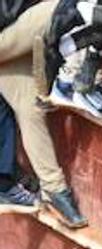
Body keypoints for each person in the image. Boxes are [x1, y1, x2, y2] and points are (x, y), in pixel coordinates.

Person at [0, 0, 87, 226]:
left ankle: (55, 190)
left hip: (12, 39)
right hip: (8, 31)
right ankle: (71, 75)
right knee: (66, 8)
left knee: (30, 108)